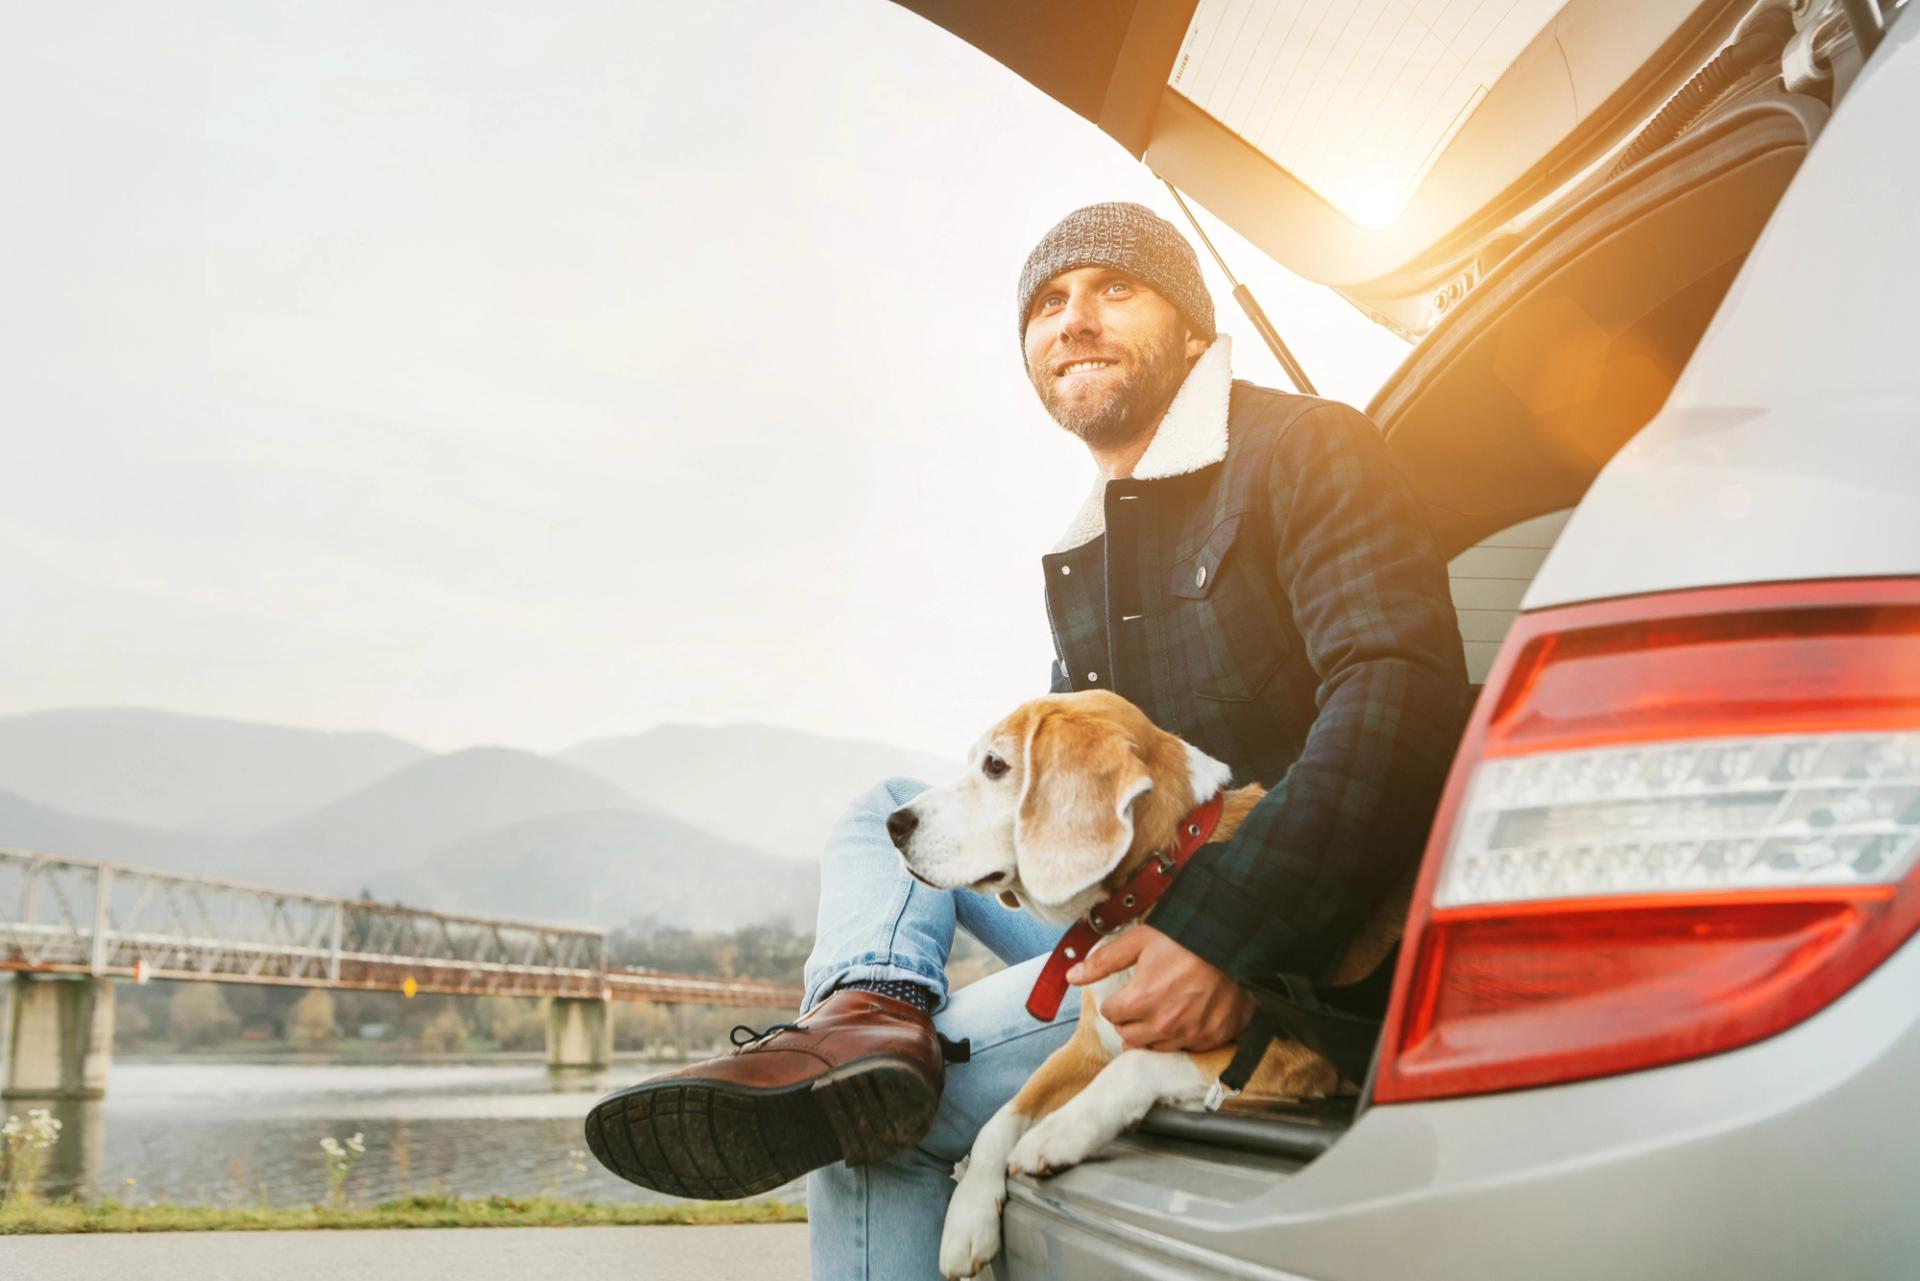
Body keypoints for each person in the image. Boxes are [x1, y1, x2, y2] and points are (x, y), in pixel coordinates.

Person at [585, 202, 1470, 1279]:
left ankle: (870, 1082)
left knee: (867, 1135)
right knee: (881, 814)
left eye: (1114, 289)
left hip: (1277, 922)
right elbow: (1067, 818)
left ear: (1192, 327)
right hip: (1122, 908)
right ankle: (867, 1023)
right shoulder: (1090, 552)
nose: (1075, 319)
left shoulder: (1306, 448)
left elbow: (1400, 697)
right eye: (1048, 304)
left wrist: (1223, 937)